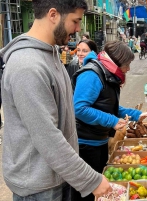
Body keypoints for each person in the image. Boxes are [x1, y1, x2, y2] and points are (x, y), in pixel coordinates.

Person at [0, 1, 112, 200]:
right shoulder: (28, 66)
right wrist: (90, 180)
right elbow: (47, 137)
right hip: (39, 188)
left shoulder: (50, 54)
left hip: (58, 176)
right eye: (75, 21)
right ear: (53, 15)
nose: (78, 29)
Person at [71, 40, 147, 201]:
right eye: (127, 64)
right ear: (117, 61)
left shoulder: (108, 74)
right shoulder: (92, 74)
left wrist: (136, 115)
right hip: (85, 143)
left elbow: (109, 107)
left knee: (99, 188)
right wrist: (111, 121)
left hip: (99, 140)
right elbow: (79, 108)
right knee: (88, 192)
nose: (128, 69)